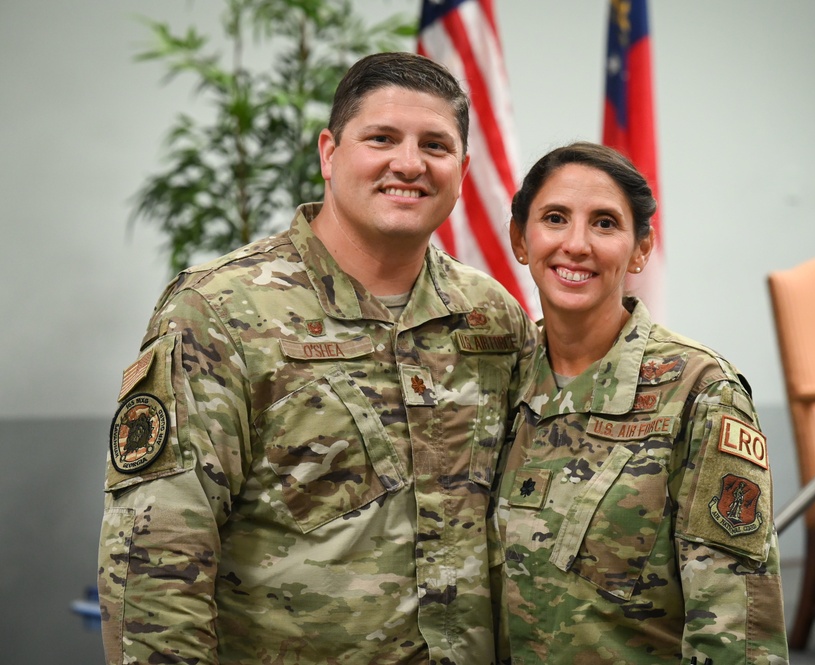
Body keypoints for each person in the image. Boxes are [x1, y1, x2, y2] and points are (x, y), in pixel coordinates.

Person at [98, 51, 537, 665]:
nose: (408, 164)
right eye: (382, 138)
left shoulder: (492, 320)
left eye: (434, 146)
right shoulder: (221, 311)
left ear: (461, 169)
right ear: (330, 153)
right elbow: (155, 558)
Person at [496, 142, 788, 664]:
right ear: (521, 238)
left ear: (640, 248)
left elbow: (735, 632)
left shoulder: (702, 393)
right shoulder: (499, 381)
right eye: (555, 218)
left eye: (605, 223)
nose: (576, 244)